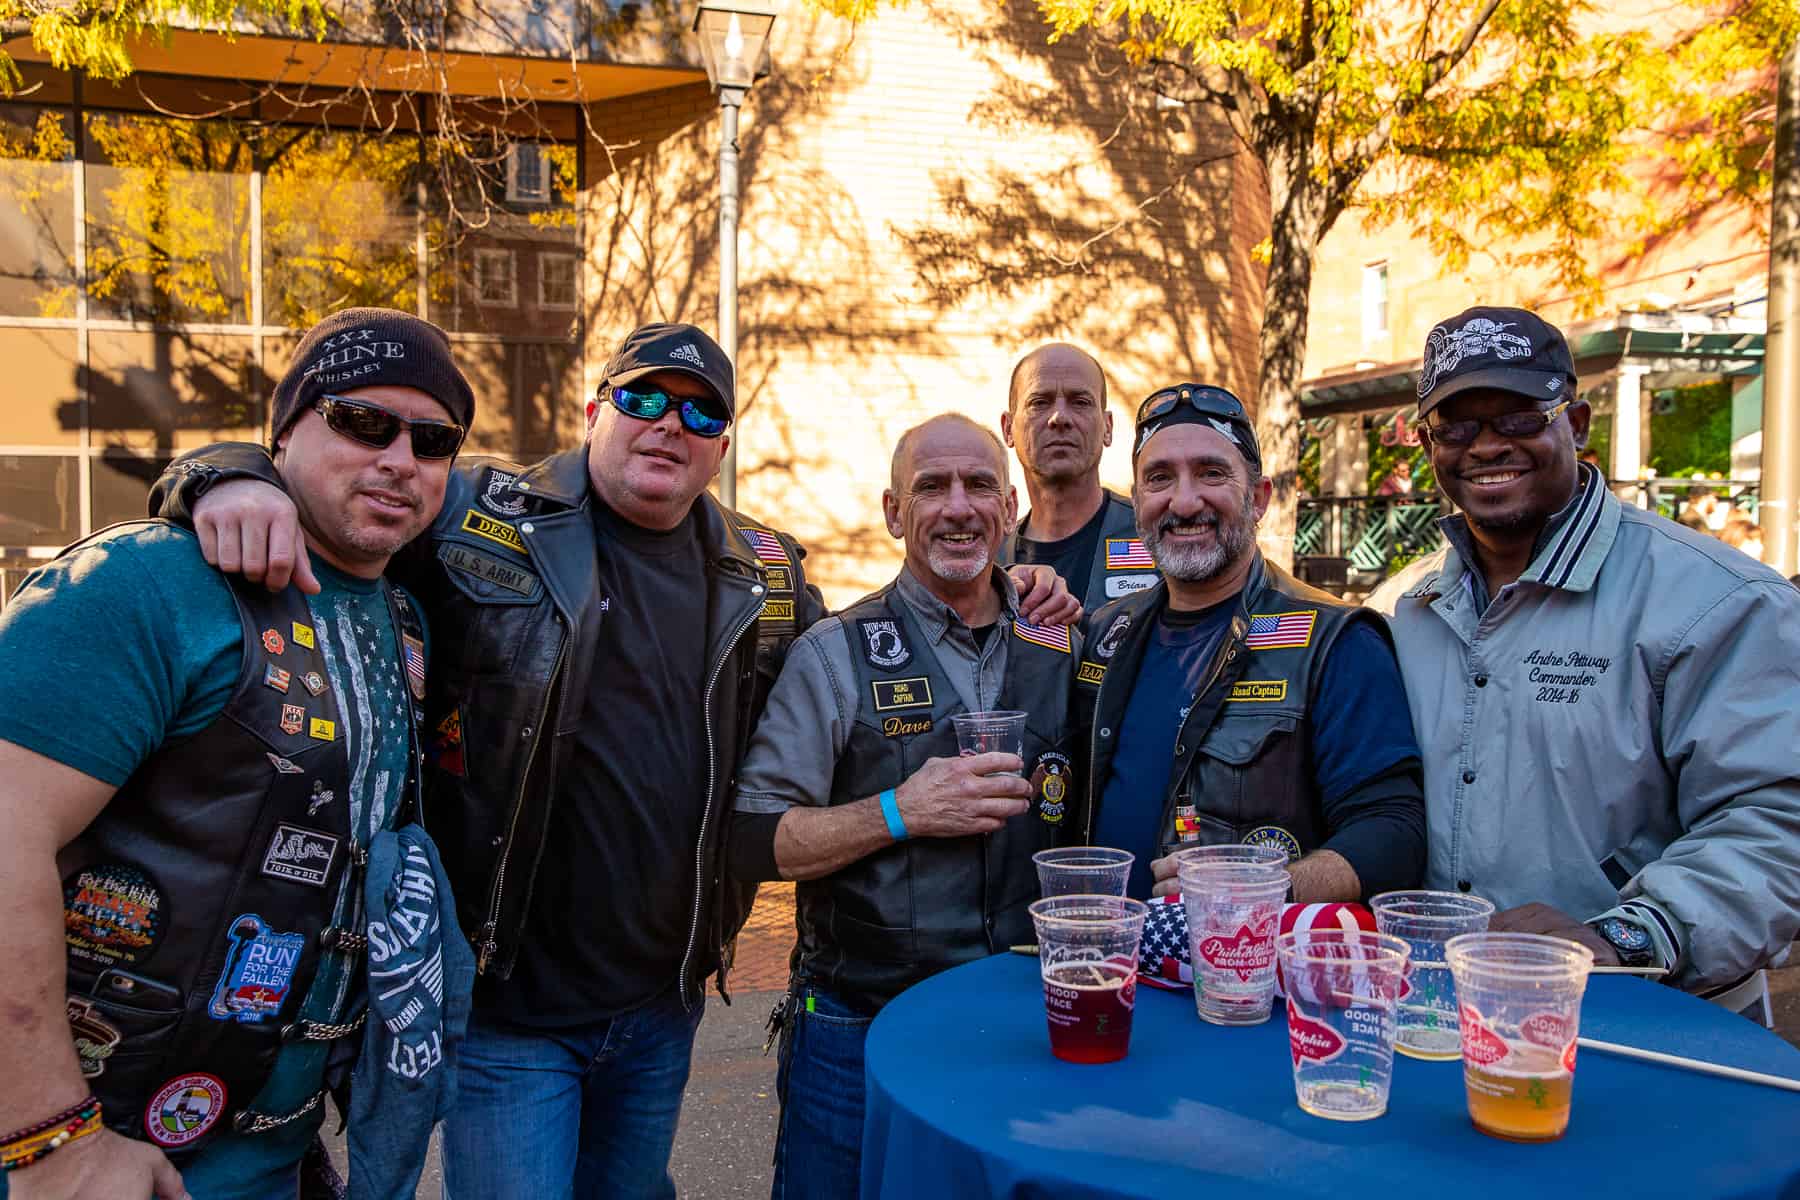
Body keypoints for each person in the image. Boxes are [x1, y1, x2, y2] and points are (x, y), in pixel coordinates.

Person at [148, 326, 1077, 1198]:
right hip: (512, 1004)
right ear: (596, 411)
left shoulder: (768, 573)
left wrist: (1018, 581)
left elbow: (882, 642)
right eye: (644, 399)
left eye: (701, 412)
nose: (671, 423)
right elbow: (354, 494)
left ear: (721, 448)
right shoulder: (480, 515)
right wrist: (228, 476)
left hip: (661, 1003)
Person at [0, 307, 470, 1199]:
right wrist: (52, 1140)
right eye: (362, 421)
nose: (400, 459)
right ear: (283, 432)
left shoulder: (404, 614)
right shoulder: (147, 580)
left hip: (272, 1156)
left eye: (433, 439)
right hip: (92, 1158)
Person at [1370, 306, 1800, 1016]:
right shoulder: (1402, 608)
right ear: (1428, 444)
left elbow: (1776, 823)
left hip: (1651, 1017)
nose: (1486, 446)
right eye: (1456, 427)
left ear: (1576, 424)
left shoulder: (1720, 600)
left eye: (1518, 419)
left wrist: (1626, 938)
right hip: (1446, 1015)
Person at [727, 414, 1081, 1199]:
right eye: (931, 487)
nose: (958, 507)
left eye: (980, 485)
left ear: (1009, 507)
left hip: (1021, 1024)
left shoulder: (1063, 641)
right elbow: (753, 837)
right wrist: (899, 811)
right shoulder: (834, 652)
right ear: (894, 512)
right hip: (859, 1026)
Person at [1073, 383, 1427, 904]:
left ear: (1258, 498)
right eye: (1160, 478)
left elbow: (1394, 832)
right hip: (1104, 943)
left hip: (1243, 953)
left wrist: (1262, 888)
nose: (1184, 501)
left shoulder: (1336, 640)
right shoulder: (1106, 631)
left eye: (1211, 474)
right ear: (1139, 499)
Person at [998, 343, 1160, 608]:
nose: (1059, 417)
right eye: (1039, 402)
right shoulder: (989, 564)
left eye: (1080, 402)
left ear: (1107, 427)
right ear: (1008, 429)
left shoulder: (1156, 536)